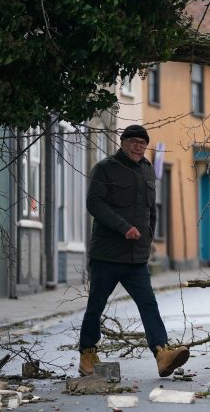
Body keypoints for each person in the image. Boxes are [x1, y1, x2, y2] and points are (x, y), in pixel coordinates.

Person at [78, 124, 189, 378]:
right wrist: (123, 227)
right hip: (106, 254)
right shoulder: (105, 168)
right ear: (123, 142)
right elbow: (94, 203)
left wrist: (148, 237)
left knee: (148, 304)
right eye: (134, 142)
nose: (139, 146)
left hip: (136, 258)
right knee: (96, 305)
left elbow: (152, 210)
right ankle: (87, 354)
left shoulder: (148, 170)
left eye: (143, 142)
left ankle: (162, 353)